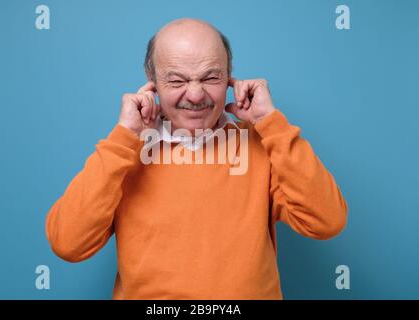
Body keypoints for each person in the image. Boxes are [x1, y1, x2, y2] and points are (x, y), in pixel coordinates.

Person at [46, 18, 347, 299]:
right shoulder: (125, 152)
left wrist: (270, 121)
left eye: (211, 77)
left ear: (230, 78)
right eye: (176, 81)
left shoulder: (264, 143)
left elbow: (327, 222)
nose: (194, 94)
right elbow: (68, 244)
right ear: (152, 82)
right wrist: (124, 135)